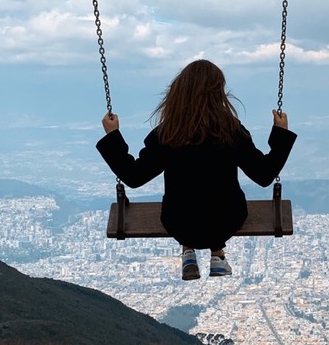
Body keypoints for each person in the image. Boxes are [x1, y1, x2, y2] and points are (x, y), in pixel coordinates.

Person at [96, 59, 297, 280]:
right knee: (220, 202)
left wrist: (113, 136)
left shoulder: (168, 134)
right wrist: (280, 133)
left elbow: (133, 176)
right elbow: (264, 174)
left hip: (179, 223)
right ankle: (217, 254)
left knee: (187, 204)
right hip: (227, 221)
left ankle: (188, 251)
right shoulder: (230, 131)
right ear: (218, 94)